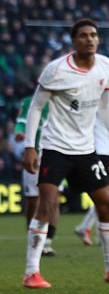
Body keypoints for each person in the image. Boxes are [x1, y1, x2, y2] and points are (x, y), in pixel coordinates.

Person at [22, 18, 109, 289]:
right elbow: (36, 107)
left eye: (94, 35)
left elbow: (106, 105)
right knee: (47, 204)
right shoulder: (56, 70)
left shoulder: (106, 67)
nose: (90, 39)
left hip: (86, 150)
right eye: (84, 35)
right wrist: (30, 146)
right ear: (74, 41)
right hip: (55, 148)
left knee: (106, 204)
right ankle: (31, 272)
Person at [74, 91, 109, 246]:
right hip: (99, 150)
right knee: (104, 195)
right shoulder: (90, 93)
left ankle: (92, 229)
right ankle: (91, 229)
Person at [15, 94, 59, 256]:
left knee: (53, 199)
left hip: (56, 155)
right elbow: (21, 122)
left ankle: (47, 242)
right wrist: (19, 133)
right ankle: (31, 232)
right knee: (33, 200)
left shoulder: (63, 99)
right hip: (35, 155)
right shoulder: (28, 102)